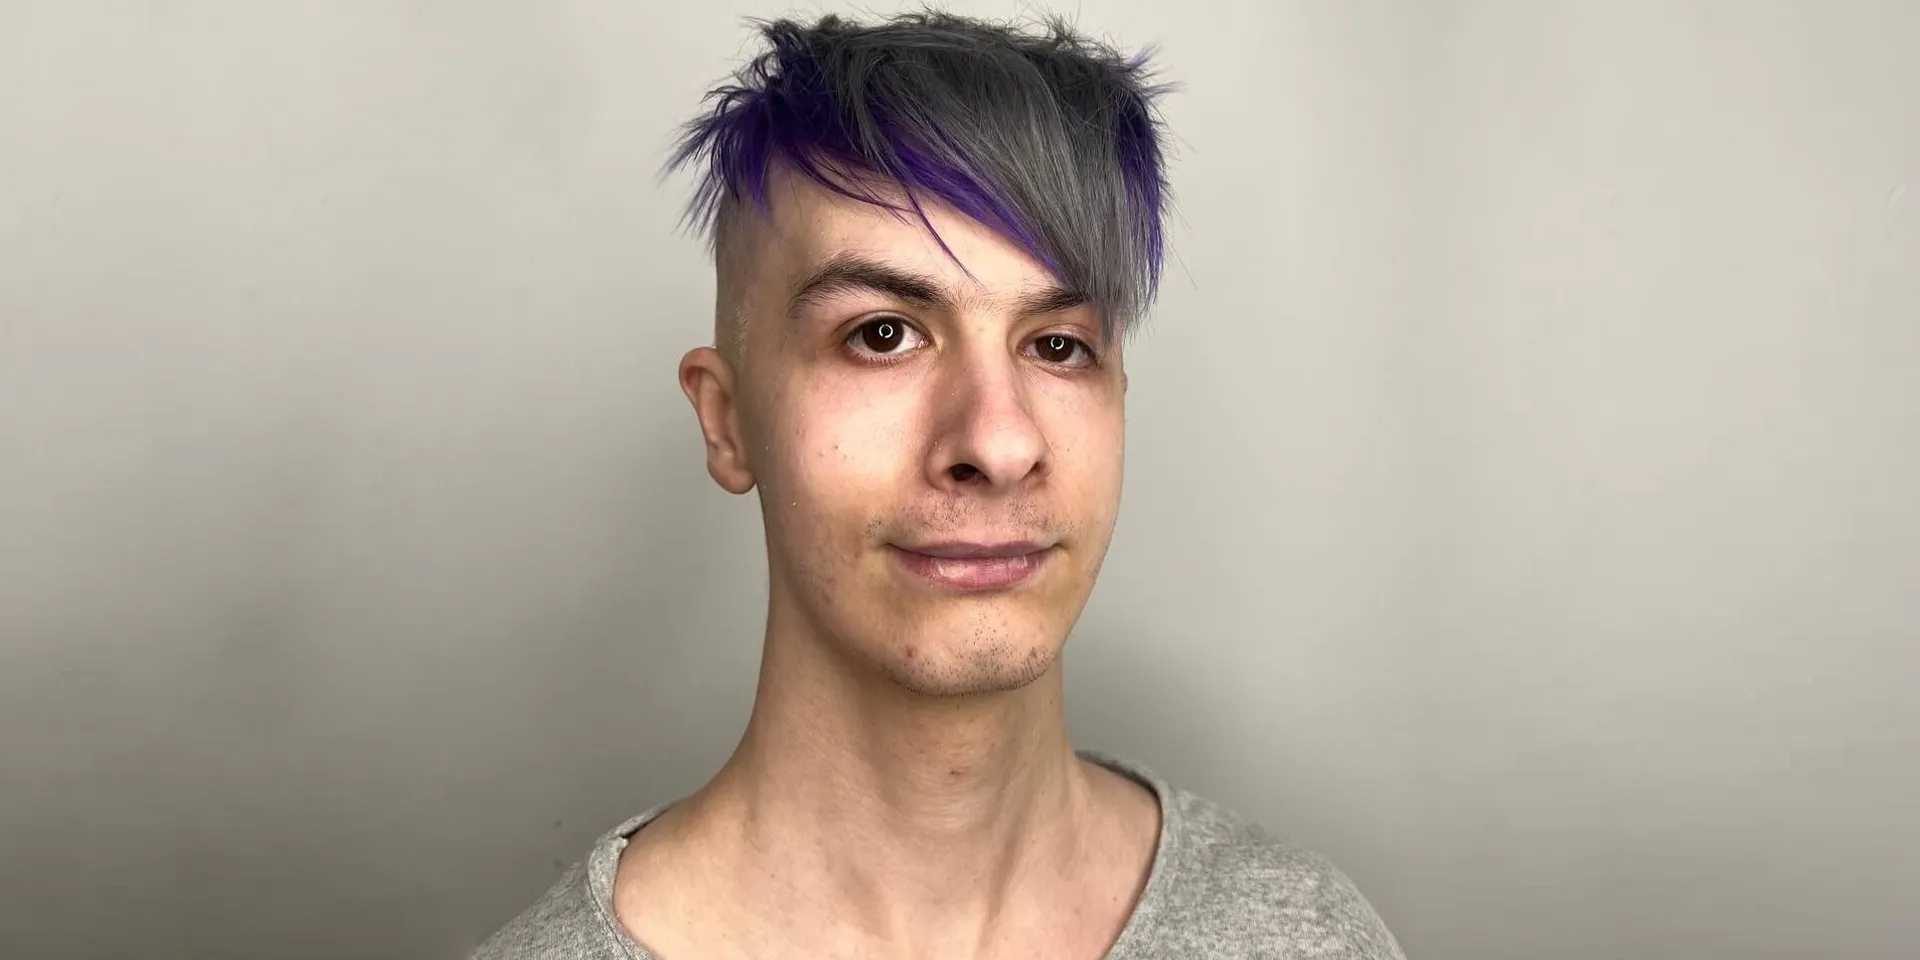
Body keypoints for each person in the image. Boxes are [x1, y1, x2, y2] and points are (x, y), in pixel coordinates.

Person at [475, 10, 1404, 959]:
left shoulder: (1312, 937)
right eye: (882, 334)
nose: (999, 442)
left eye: (1058, 345)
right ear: (727, 421)